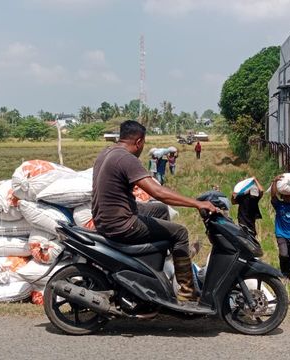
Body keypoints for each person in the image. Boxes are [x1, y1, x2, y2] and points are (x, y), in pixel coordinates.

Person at [91, 120, 219, 303]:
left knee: (159, 210)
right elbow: (158, 192)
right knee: (180, 233)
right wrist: (197, 204)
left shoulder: (107, 152)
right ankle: (187, 292)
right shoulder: (126, 158)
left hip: (107, 218)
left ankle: (167, 256)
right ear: (139, 142)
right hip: (121, 224)